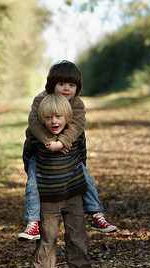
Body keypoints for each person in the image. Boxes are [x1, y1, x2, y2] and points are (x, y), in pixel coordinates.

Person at [18, 60, 117, 241]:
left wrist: (62, 142)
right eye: (61, 84)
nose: (66, 89)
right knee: (32, 184)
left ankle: (96, 214)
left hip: (68, 152)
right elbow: (34, 124)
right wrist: (50, 142)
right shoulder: (41, 100)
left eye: (71, 85)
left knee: (86, 177)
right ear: (51, 85)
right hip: (39, 150)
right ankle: (32, 223)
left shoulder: (77, 104)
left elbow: (78, 126)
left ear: (77, 88)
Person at [23, 93, 92, 268]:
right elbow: (28, 158)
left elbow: (82, 156)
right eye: (48, 117)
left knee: (76, 235)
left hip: (73, 194)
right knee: (47, 237)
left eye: (59, 117)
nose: (54, 121)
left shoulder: (75, 136)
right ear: (41, 119)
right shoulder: (36, 138)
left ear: (68, 118)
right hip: (48, 197)